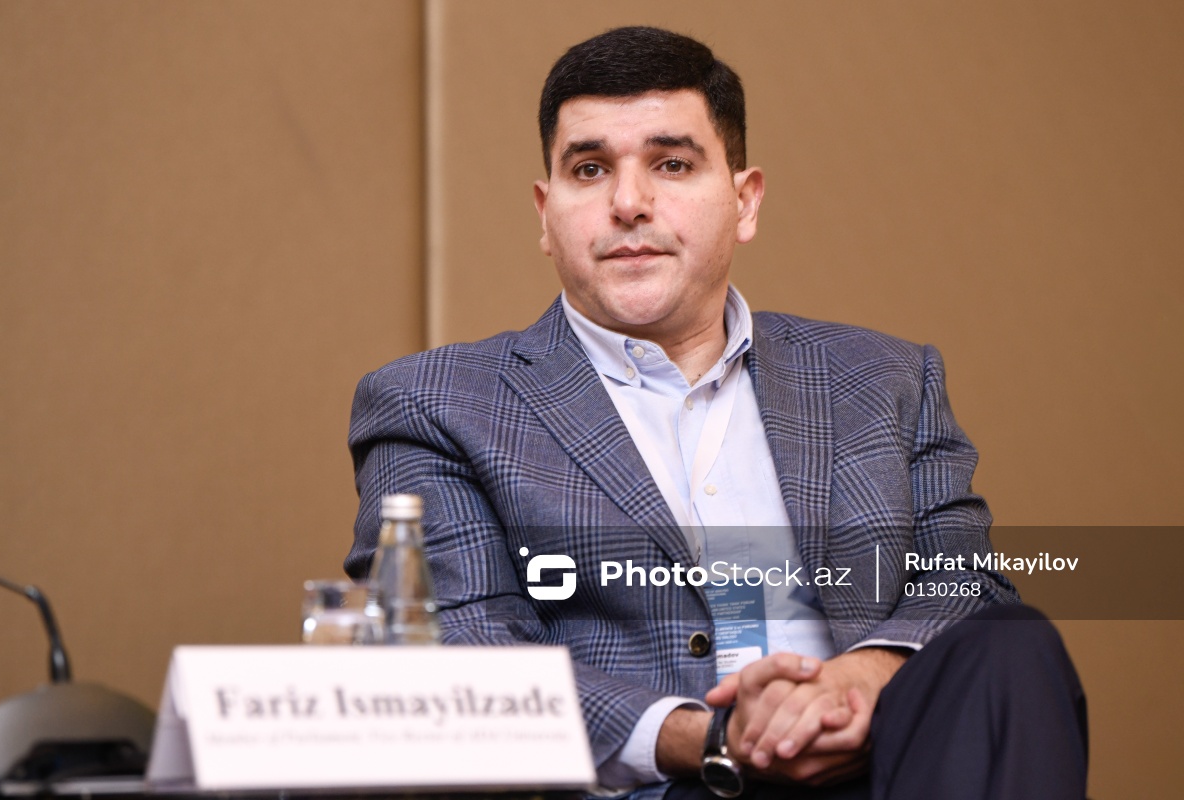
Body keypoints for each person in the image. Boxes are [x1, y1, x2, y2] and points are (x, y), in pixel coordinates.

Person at [346, 26, 1087, 800]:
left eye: (672, 164)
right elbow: (459, 656)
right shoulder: (437, 405)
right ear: (545, 213)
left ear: (745, 200)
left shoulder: (885, 378)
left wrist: (863, 680)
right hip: (666, 785)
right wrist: (712, 738)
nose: (628, 203)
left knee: (1012, 642)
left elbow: (963, 583)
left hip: (888, 770)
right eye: (590, 169)